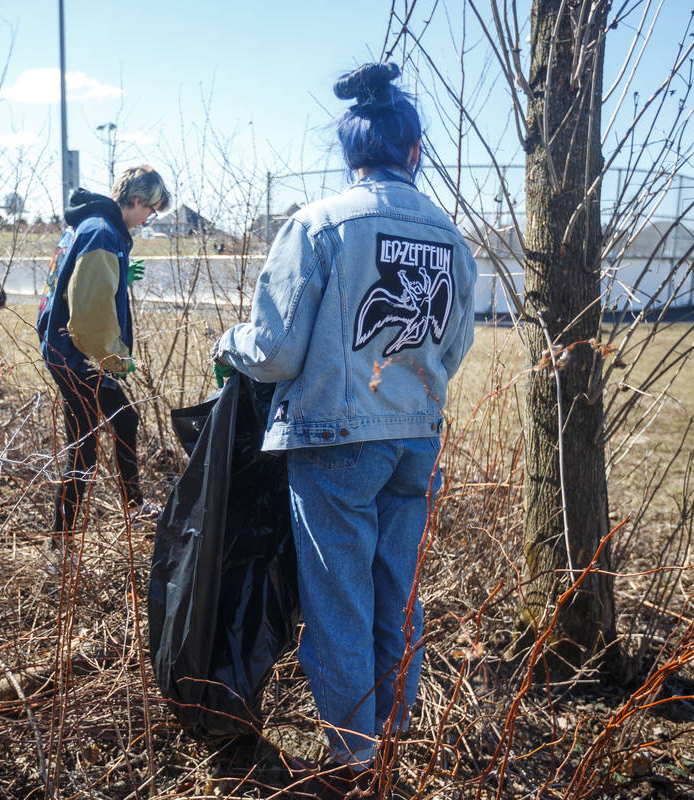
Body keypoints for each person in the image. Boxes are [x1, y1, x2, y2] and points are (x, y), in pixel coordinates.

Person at [212, 63, 476, 797]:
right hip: (416, 438)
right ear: (415, 150)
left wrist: (225, 346)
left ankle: (356, 762)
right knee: (399, 594)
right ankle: (390, 740)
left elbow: (275, 350)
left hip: (333, 441)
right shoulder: (452, 239)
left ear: (349, 152)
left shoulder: (319, 225)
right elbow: (453, 349)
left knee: (339, 601)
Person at [37, 165, 171, 539]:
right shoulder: (102, 233)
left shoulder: (93, 225)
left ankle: (134, 506)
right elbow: (89, 316)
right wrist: (115, 360)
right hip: (79, 354)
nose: (150, 218)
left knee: (124, 420)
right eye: (152, 209)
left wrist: (118, 275)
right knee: (83, 448)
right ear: (135, 201)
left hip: (67, 349)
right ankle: (61, 542)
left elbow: (75, 283)